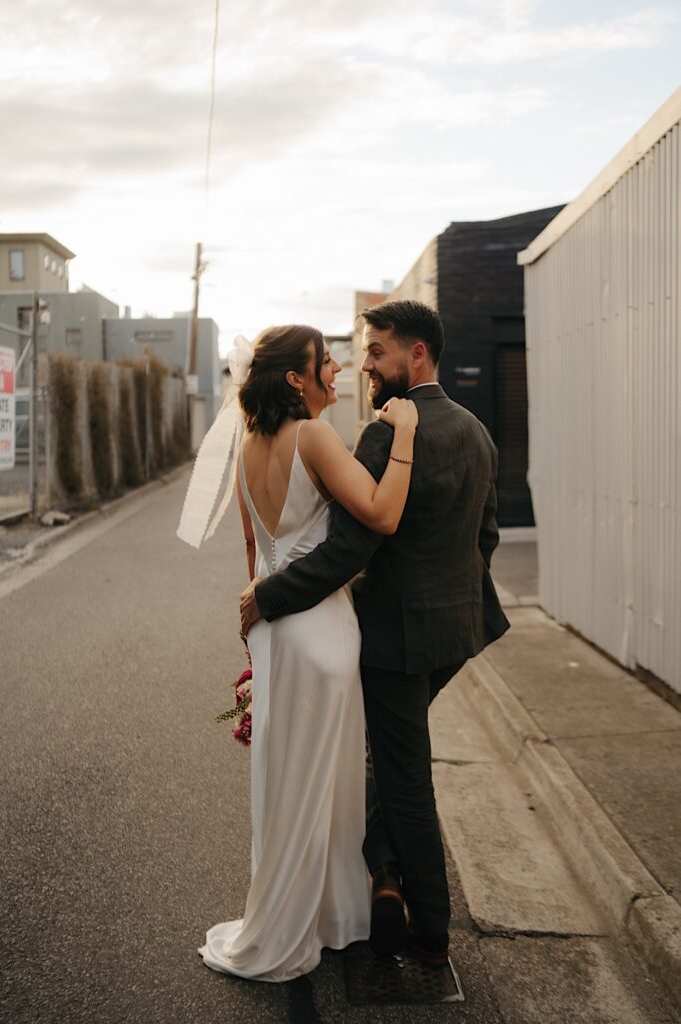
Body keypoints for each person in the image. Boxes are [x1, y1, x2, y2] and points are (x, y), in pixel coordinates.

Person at [240, 300, 510, 968]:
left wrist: (266, 596)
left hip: (392, 640)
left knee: (402, 774)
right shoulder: (478, 430)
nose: (365, 364)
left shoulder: (386, 434)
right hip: (459, 632)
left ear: (416, 355)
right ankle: (382, 876)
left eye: (378, 351)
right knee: (389, 757)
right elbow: (488, 536)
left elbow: (347, 551)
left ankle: (429, 927)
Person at [180, 324, 419, 982]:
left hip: (272, 631)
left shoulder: (246, 448)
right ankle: (325, 919)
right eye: (326, 360)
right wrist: (403, 436)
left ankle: (294, 913)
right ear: (297, 378)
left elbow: (255, 561)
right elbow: (380, 513)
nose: (339, 366)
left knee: (285, 781)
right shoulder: (313, 436)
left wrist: (257, 640)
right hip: (321, 629)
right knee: (329, 782)